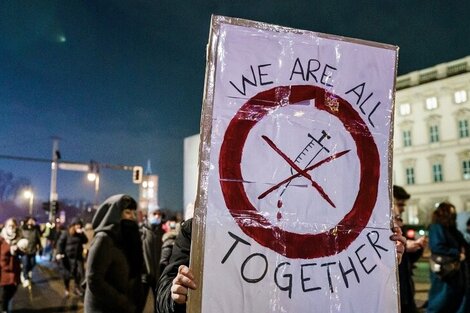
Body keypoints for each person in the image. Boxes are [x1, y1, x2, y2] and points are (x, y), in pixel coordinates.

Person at [156, 218, 407, 313]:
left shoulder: (318, 225)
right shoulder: (198, 229)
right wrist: (175, 294)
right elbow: (165, 292)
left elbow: (341, 288)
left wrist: (381, 264)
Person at [84, 194, 145, 313]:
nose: (132, 217)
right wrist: (122, 301)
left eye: (134, 213)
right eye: (127, 212)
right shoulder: (104, 239)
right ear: (114, 215)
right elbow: (94, 279)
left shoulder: (128, 239)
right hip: (103, 308)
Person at [427, 202, 468, 313]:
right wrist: (457, 253)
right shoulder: (437, 227)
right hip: (445, 271)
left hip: (456, 271)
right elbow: (437, 246)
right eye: (450, 212)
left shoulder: (452, 228)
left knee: (454, 300)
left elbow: (463, 244)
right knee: (441, 300)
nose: (453, 215)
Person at [392, 185, 427, 313]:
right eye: (400, 204)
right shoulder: (383, 226)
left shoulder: (400, 225)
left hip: (405, 285)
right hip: (394, 288)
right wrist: (406, 247)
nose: (403, 209)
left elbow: (408, 259)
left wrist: (417, 247)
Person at [56, 217, 88, 297]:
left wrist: (82, 234)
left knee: (79, 274)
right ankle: (67, 288)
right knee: (67, 275)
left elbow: (85, 241)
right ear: (73, 225)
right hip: (68, 257)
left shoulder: (80, 234)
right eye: (77, 225)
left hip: (78, 257)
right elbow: (60, 243)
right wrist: (59, 253)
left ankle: (77, 288)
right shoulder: (66, 233)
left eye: (80, 225)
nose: (78, 227)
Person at [0, 218, 25, 312]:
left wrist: (19, 248)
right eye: (9, 225)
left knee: (13, 291)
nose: (11, 227)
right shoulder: (1, 239)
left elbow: (23, 253)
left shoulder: (19, 239)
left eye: (13, 225)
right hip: (3, 272)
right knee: (4, 296)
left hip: (15, 271)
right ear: (5, 227)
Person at [20, 217, 42, 287]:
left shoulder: (35, 230)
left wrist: (40, 247)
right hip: (24, 251)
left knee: (33, 263)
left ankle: (26, 271)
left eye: (33, 220)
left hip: (33, 250)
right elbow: (19, 238)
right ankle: (25, 277)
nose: (32, 222)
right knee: (25, 263)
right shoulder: (22, 229)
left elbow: (38, 239)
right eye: (31, 220)